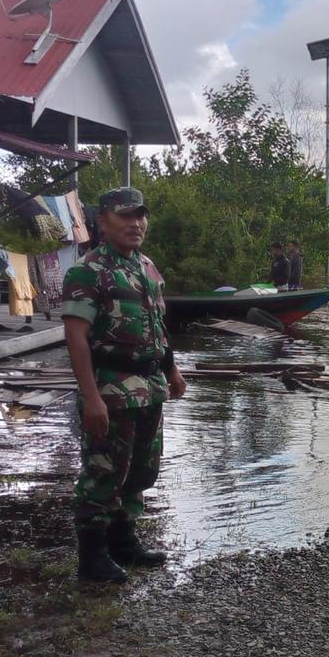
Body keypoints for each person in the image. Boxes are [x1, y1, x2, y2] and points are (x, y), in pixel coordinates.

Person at [62, 187, 188, 584]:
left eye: (140, 216)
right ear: (102, 221)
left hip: (149, 386)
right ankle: (92, 560)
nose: (136, 223)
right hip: (111, 388)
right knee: (104, 471)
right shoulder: (88, 270)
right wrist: (91, 397)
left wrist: (173, 370)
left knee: (141, 470)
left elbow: (158, 326)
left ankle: (124, 542)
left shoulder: (147, 266)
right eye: (125, 216)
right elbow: (75, 336)